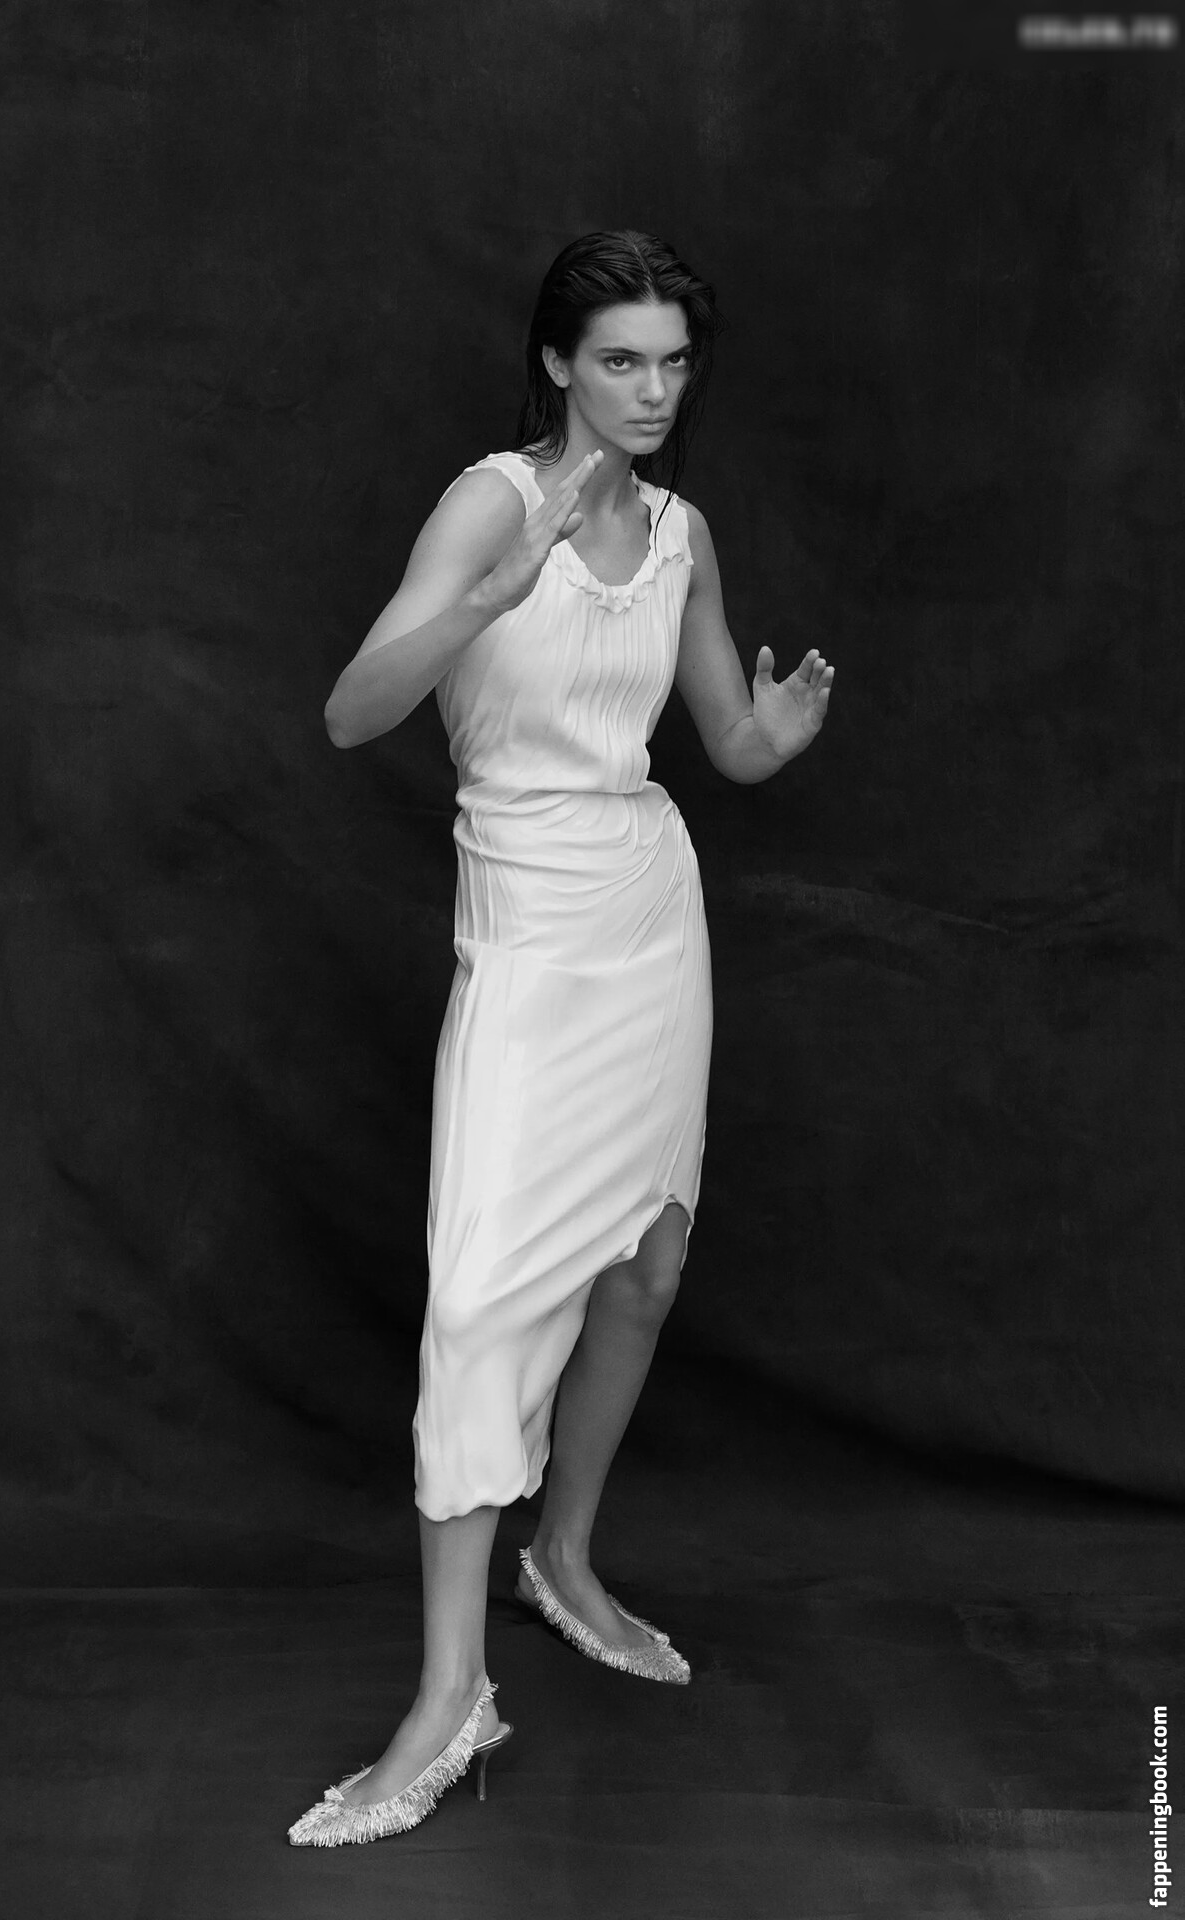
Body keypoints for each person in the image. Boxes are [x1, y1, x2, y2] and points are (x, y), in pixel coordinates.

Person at [289, 230, 834, 1846]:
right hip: (526, 919)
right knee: (478, 1299)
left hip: (648, 907)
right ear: (554, 364)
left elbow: (718, 740)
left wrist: (770, 736)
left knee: (646, 1264)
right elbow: (351, 712)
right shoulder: (488, 505)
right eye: (619, 361)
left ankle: (565, 1556)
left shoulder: (680, 532)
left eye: (672, 362)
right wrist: (485, 597)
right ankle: (447, 1696)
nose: (653, 392)